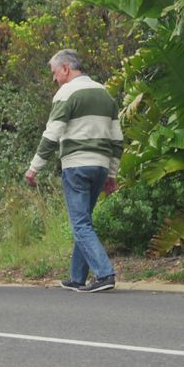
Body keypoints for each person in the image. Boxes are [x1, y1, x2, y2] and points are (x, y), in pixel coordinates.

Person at [24, 49, 122, 293]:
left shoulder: (66, 93)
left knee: (79, 223)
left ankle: (104, 274)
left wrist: (34, 168)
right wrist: (111, 174)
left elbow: (52, 133)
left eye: (54, 73)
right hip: (100, 166)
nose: (54, 79)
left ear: (66, 68)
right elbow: (117, 140)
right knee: (84, 221)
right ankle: (77, 277)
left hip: (77, 165)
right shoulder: (105, 94)